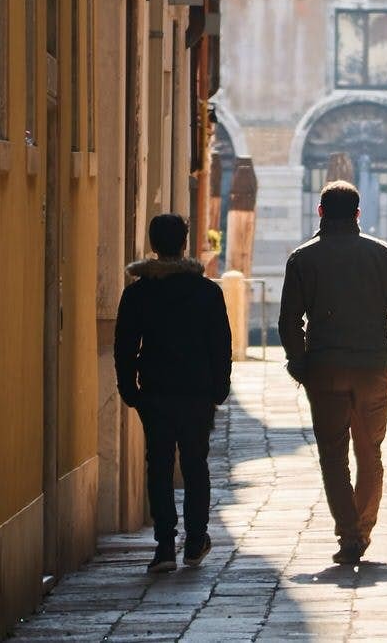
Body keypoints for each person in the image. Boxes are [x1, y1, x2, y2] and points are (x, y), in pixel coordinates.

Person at [279, 180, 387, 565]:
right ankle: (362, 529)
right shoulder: (382, 255)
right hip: (373, 367)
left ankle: (348, 532)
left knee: (332, 456)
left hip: (325, 367)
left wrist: (299, 361)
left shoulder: (302, 259)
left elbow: (290, 318)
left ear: (320, 212)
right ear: (358, 214)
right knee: (370, 451)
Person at [114, 213, 233, 574]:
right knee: (196, 465)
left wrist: (128, 388)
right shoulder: (207, 291)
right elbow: (220, 344)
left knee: (159, 466)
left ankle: (165, 545)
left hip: (156, 391)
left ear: (153, 245)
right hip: (197, 392)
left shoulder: (137, 293)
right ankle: (196, 541)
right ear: (184, 242)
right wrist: (220, 386)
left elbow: (124, 346)